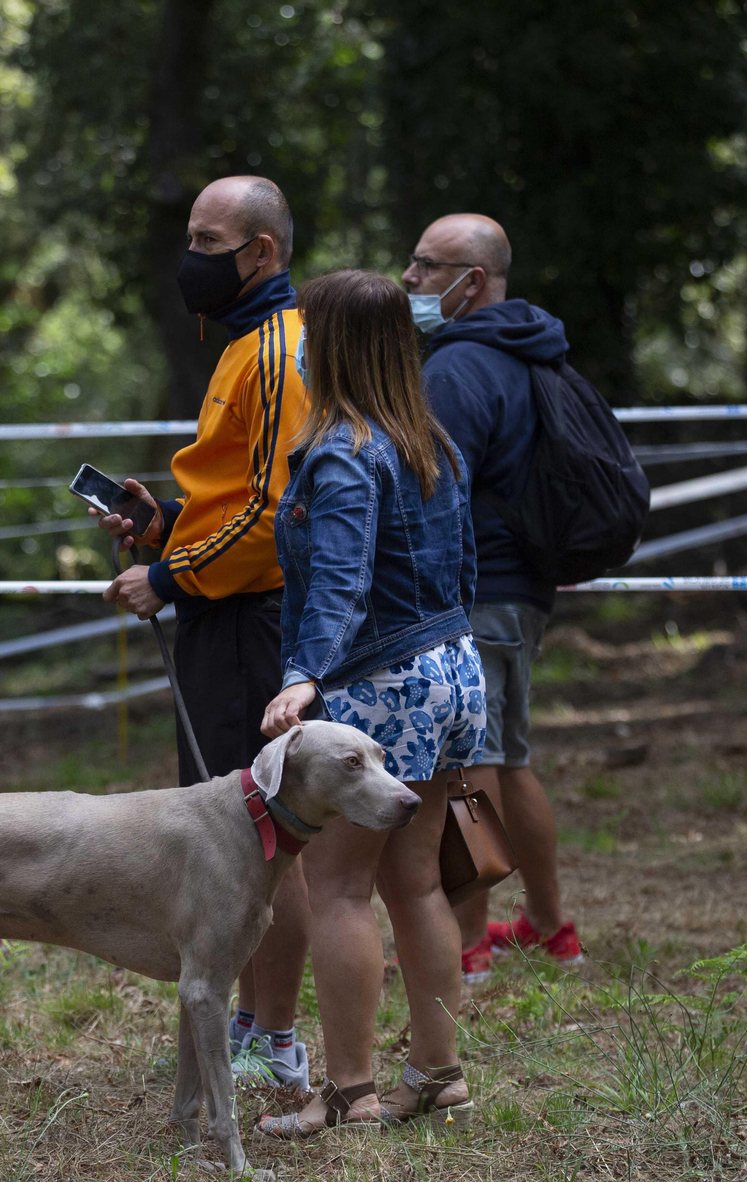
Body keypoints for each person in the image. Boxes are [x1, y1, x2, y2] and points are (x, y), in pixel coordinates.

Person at [95, 175, 312, 1091]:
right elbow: (232, 498)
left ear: (261, 252)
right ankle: (249, 1024)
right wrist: (168, 524)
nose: (191, 257)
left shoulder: (276, 350)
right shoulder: (240, 344)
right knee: (237, 835)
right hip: (219, 611)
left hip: (250, 624)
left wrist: (169, 574)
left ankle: (274, 1035)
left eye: (207, 239)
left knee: (268, 836)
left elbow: (274, 517)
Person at [256, 269, 485, 1136]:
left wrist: (304, 674)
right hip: (452, 671)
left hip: (380, 681)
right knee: (416, 880)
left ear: (336, 345)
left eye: (308, 331)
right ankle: (438, 1072)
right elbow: (463, 570)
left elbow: (342, 584)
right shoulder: (431, 440)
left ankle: (347, 1092)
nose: (299, 347)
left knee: (338, 886)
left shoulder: (344, 452)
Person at [401, 214, 584, 982]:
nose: (409, 279)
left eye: (425, 265)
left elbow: (432, 492)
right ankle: (548, 927)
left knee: (466, 767)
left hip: (476, 592)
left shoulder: (454, 369)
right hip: (525, 591)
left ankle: (469, 942)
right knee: (509, 759)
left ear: (471, 280)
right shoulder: (533, 352)